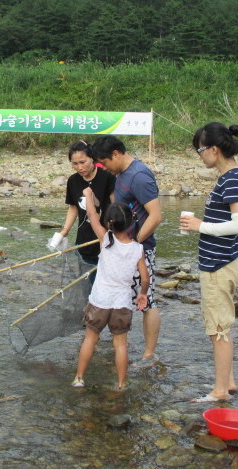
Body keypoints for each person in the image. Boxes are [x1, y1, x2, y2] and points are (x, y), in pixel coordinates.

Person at [180, 123, 238, 402]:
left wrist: (200, 226)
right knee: (220, 325)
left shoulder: (231, 178)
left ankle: (220, 392)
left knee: (218, 329)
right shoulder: (230, 176)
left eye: (200, 150)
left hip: (219, 266)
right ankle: (228, 382)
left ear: (214, 149)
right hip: (219, 263)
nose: (200, 156)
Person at [92, 136, 162, 367]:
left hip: (139, 250)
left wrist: (134, 246)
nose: (103, 168)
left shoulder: (139, 176)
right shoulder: (121, 173)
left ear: (116, 154)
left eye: (103, 162)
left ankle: (149, 354)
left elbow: (156, 216)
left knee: (147, 302)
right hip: (124, 248)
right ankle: (122, 346)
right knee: (122, 297)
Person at [72, 191, 149, 389]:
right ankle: (122, 384)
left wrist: (89, 194)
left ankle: (79, 378)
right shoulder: (137, 249)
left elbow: (91, 214)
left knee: (90, 339)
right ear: (131, 222)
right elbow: (145, 278)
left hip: (100, 299)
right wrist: (142, 294)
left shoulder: (105, 240)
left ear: (109, 224)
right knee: (120, 345)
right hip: (122, 302)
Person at [58, 141, 115, 278]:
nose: (79, 167)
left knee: (106, 280)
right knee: (87, 280)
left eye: (83, 162)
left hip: (106, 237)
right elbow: (73, 207)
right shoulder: (73, 181)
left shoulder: (107, 177)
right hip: (85, 239)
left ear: (92, 159)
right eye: (75, 163)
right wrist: (65, 231)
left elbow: (116, 205)